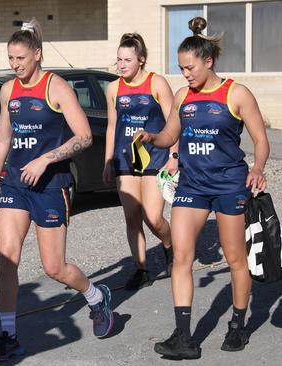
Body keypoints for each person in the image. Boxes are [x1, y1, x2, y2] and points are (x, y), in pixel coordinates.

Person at [137, 17, 269, 359]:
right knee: (181, 257)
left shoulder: (236, 94)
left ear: (208, 61)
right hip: (192, 186)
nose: (186, 74)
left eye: (190, 67)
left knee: (236, 258)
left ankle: (238, 324)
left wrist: (257, 167)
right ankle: (184, 337)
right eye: (181, 69)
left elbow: (260, 139)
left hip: (228, 185)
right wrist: (153, 137)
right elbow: (170, 136)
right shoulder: (183, 96)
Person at [0, 19, 114, 362]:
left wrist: (45, 160)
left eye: (21, 58)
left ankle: (96, 296)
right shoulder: (8, 90)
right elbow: (2, 137)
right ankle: (8, 334)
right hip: (15, 183)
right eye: (11, 58)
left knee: (53, 267)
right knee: (6, 256)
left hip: (51, 185)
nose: (15, 65)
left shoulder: (56, 88)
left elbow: (84, 136)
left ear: (37, 54)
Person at [103, 33, 177, 290]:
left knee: (153, 217)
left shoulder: (157, 83)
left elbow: (173, 122)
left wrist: (174, 156)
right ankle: (141, 269)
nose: (122, 65)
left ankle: (170, 247)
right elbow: (112, 126)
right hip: (126, 161)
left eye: (128, 60)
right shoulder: (113, 89)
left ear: (141, 60)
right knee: (132, 218)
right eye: (119, 60)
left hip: (155, 157)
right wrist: (108, 161)